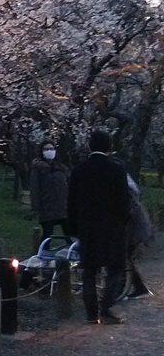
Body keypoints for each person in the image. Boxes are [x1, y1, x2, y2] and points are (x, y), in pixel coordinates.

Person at [67, 130, 131, 325]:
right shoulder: (117, 170)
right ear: (109, 147)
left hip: (88, 227)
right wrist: (125, 219)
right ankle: (106, 307)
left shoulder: (79, 170)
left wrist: (73, 228)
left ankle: (90, 313)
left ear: (89, 146)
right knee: (115, 267)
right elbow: (124, 201)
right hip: (112, 227)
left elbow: (71, 203)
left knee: (89, 270)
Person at [29, 141, 70, 242]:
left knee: (69, 235)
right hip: (47, 208)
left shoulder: (61, 168)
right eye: (46, 149)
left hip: (63, 207)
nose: (50, 151)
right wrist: (35, 208)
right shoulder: (37, 169)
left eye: (52, 149)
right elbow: (34, 189)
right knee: (47, 237)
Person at [125, 173, 154, 298]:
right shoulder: (129, 188)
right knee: (126, 258)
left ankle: (138, 288)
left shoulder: (127, 193)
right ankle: (133, 287)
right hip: (134, 229)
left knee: (125, 258)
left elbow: (131, 209)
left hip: (133, 230)